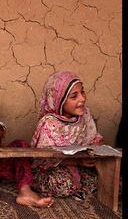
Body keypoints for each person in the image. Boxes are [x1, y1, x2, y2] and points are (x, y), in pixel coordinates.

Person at [31, 71, 103, 200]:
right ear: (59, 101)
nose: (82, 99)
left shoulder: (85, 116)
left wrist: (94, 154)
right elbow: (43, 159)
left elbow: (93, 139)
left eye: (82, 92)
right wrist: (78, 161)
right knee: (63, 183)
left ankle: (79, 187)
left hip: (78, 166)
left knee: (99, 180)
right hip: (51, 169)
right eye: (74, 96)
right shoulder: (49, 123)